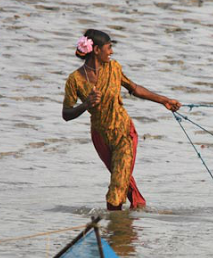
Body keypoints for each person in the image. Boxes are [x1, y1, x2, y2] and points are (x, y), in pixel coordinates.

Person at [62, 29, 181, 210]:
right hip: (101, 136)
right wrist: (86, 104)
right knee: (122, 178)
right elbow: (66, 114)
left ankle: (117, 227)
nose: (111, 52)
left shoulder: (114, 68)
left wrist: (165, 100)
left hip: (124, 132)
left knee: (118, 184)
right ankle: (131, 216)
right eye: (109, 48)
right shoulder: (75, 80)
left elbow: (134, 88)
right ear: (96, 50)